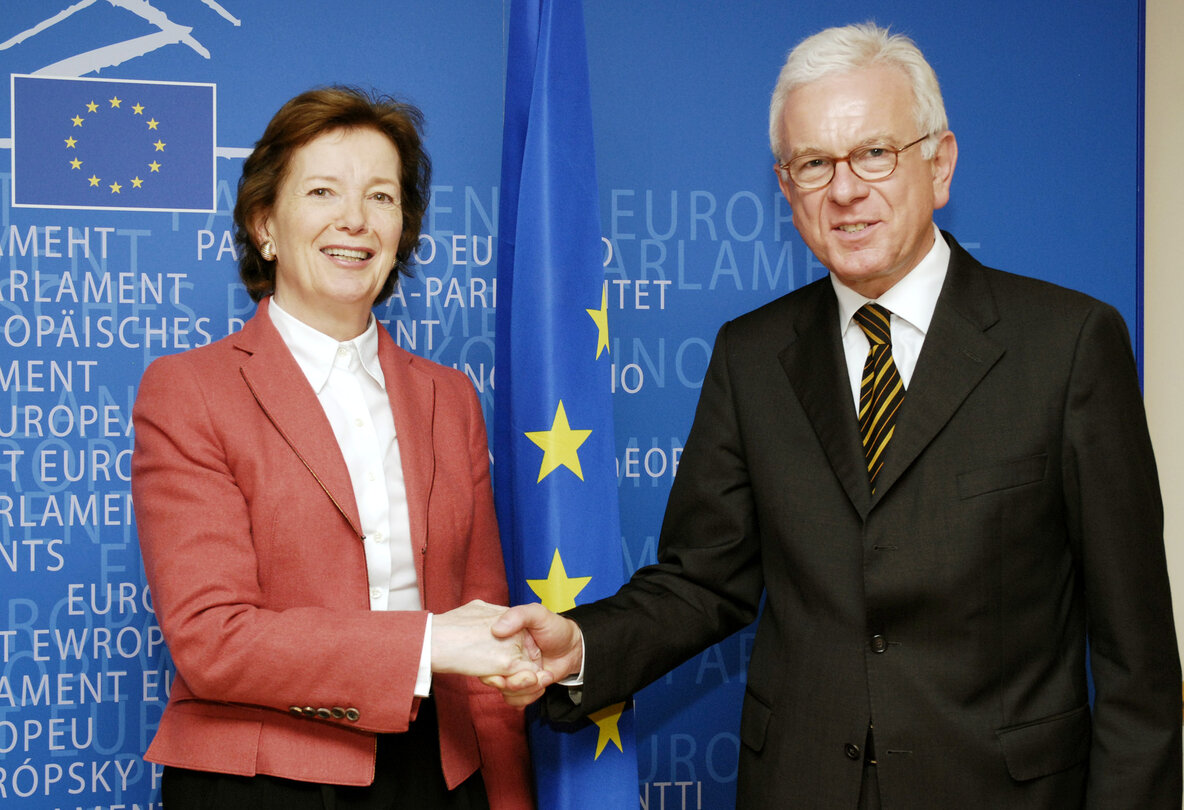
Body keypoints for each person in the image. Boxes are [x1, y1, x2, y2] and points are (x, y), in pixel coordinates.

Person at [489, 23, 1182, 809]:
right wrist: (580, 644)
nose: (844, 189)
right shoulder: (753, 356)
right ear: (786, 190)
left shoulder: (1068, 346)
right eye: (814, 164)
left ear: (940, 163)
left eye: (874, 154)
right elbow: (703, 580)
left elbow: (1139, 663)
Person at [132, 87, 537, 809]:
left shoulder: (450, 398)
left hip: (436, 777)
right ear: (266, 225)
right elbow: (211, 639)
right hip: (259, 781)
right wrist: (426, 645)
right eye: (323, 191)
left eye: (381, 197)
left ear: (403, 229)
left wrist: (508, 800)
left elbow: (487, 639)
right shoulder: (188, 390)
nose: (355, 219)